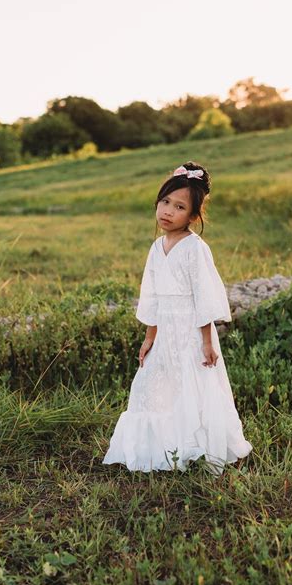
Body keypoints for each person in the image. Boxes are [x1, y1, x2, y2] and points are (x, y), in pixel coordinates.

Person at [102, 161, 253, 476]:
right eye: (165, 202)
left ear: (193, 216)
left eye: (179, 206)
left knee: (194, 383)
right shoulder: (157, 248)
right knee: (153, 385)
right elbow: (152, 296)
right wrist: (149, 337)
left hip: (191, 330)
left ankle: (203, 446)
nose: (168, 211)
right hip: (165, 328)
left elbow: (203, 296)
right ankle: (164, 448)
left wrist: (207, 342)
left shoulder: (194, 249)